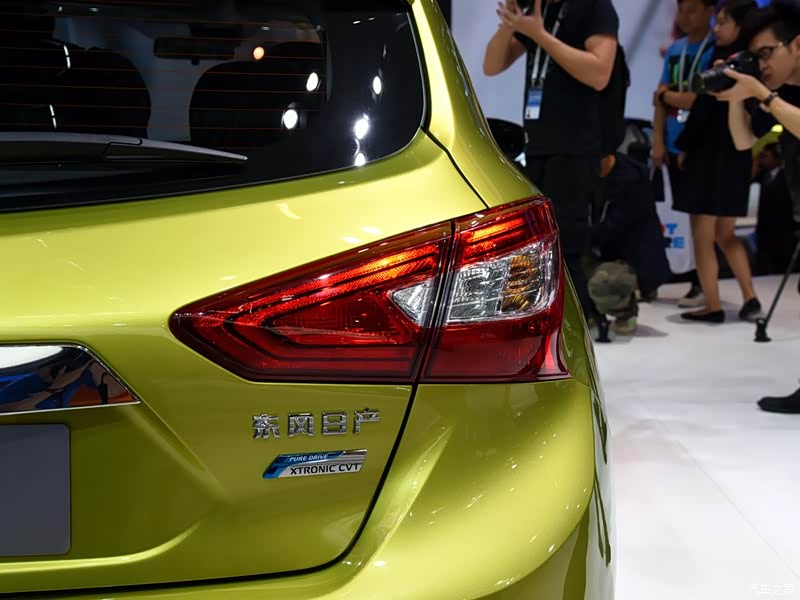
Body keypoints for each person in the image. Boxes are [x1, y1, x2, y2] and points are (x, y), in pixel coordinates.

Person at [484, 0, 619, 328]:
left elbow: (599, 74)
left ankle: (580, 321)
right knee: (535, 241)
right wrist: (510, 26)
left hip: (575, 148)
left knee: (568, 242)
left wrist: (540, 36)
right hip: (539, 145)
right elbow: (491, 65)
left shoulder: (594, 7)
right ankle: (539, 317)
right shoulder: (539, 9)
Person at [713, 0, 800, 413]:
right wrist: (736, 95)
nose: (762, 65)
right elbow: (743, 140)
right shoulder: (780, 94)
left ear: (796, 45)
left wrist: (763, 95)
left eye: (767, 53)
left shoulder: (774, 96)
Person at [675, 0, 762, 324]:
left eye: (723, 22)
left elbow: (703, 110)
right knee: (726, 234)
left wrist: (684, 146)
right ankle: (750, 297)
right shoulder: (752, 64)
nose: (717, 28)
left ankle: (712, 305)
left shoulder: (724, 62)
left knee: (703, 235)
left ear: (740, 25)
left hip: (709, 157)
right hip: (737, 156)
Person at [652, 0, 716, 309]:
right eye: (682, 9)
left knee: (704, 221)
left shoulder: (714, 49)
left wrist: (669, 95)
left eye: (693, 9)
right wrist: (658, 141)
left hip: (702, 146)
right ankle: (695, 281)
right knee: (686, 218)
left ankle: (705, 284)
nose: (685, 16)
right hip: (674, 144)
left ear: (709, 10)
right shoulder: (676, 49)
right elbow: (659, 98)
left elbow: (700, 101)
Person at [587, 151, 672, 336]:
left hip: (629, 257)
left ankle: (625, 312)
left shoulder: (632, 181)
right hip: (600, 249)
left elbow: (614, 228)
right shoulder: (585, 176)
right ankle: (588, 311)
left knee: (604, 281)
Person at [754, 144, 796, 274]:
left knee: (783, 260)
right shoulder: (763, 174)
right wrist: (756, 161)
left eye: (765, 156)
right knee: (764, 260)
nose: (762, 159)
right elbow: (750, 177)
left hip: (784, 226)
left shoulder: (788, 175)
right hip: (765, 225)